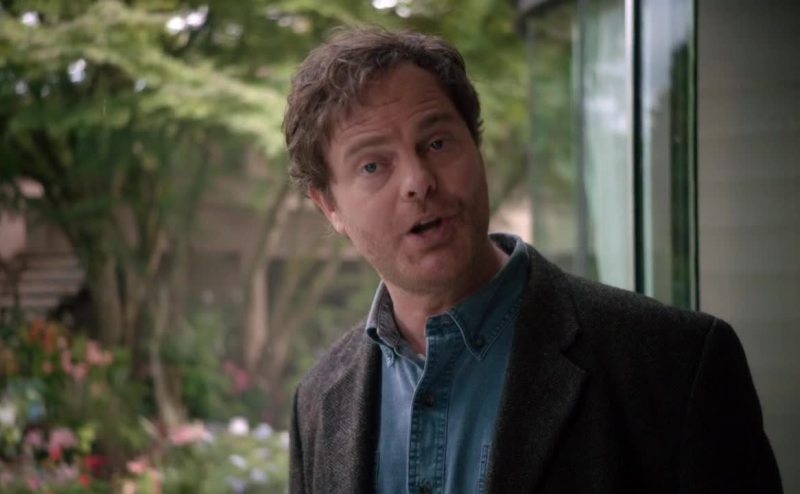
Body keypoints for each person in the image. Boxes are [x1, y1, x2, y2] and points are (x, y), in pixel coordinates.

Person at [283, 27, 782, 494]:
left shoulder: (675, 363)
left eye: (437, 143)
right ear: (329, 206)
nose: (418, 181)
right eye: (373, 165)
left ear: (476, 145)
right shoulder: (318, 401)